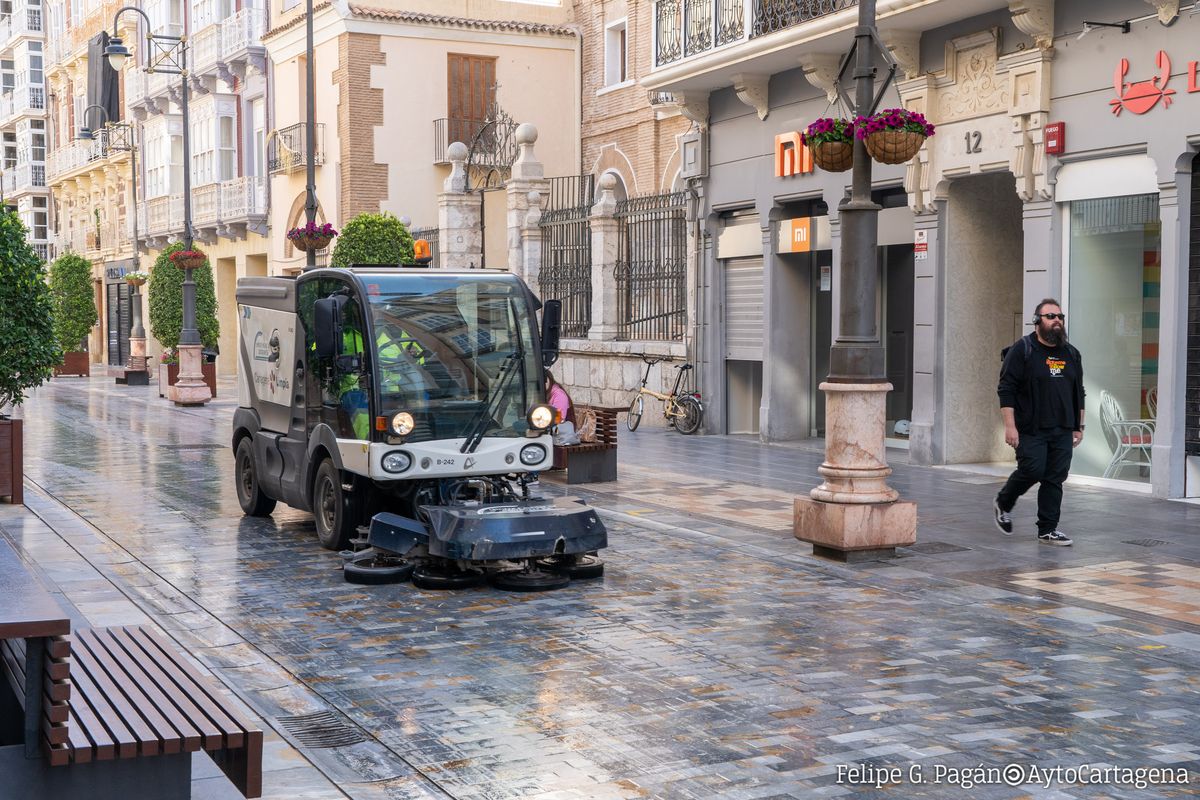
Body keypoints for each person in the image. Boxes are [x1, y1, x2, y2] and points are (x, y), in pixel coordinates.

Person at [993, 298, 1085, 546]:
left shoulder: (1071, 353)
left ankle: (1048, 529)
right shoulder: (1022, 350)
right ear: (1037, 322)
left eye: (1060, 316)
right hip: (1030, 427)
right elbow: (1006, 390)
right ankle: (1004, 502)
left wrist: (1079, 426)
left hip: (1063, 428)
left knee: (1055, 477)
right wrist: (1010, 426)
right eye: (1050, 316)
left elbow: (1079, 392)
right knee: (1032, 469)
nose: (1057, 320)